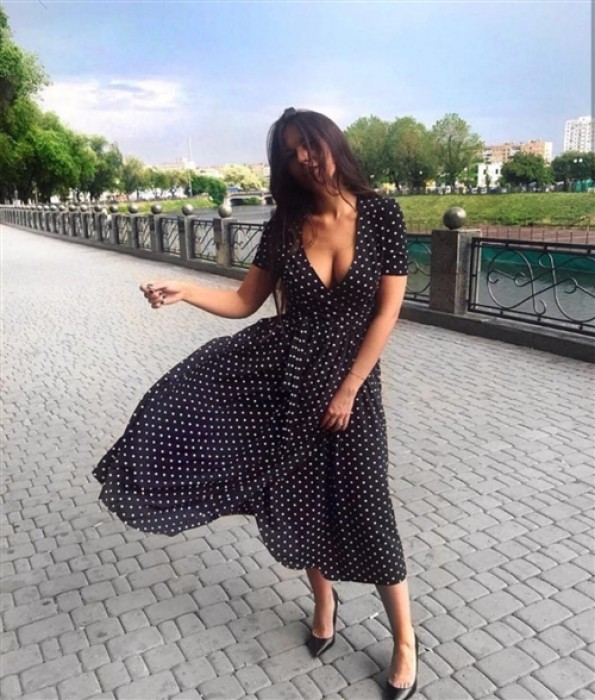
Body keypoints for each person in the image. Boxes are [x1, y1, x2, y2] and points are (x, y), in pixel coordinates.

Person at [93, 107, 418, 699]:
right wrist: (186, 290)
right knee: (301, 499)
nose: (303, 159)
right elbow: (245, 301)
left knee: (369, 507)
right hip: (288, 384)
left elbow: (387, 312)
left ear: (332, 142)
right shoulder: (287, 224)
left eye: (309, 145)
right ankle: (324, 601)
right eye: (290, 152)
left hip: (354, 392)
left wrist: (349, 387)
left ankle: (404, 641)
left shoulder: (381, 215)